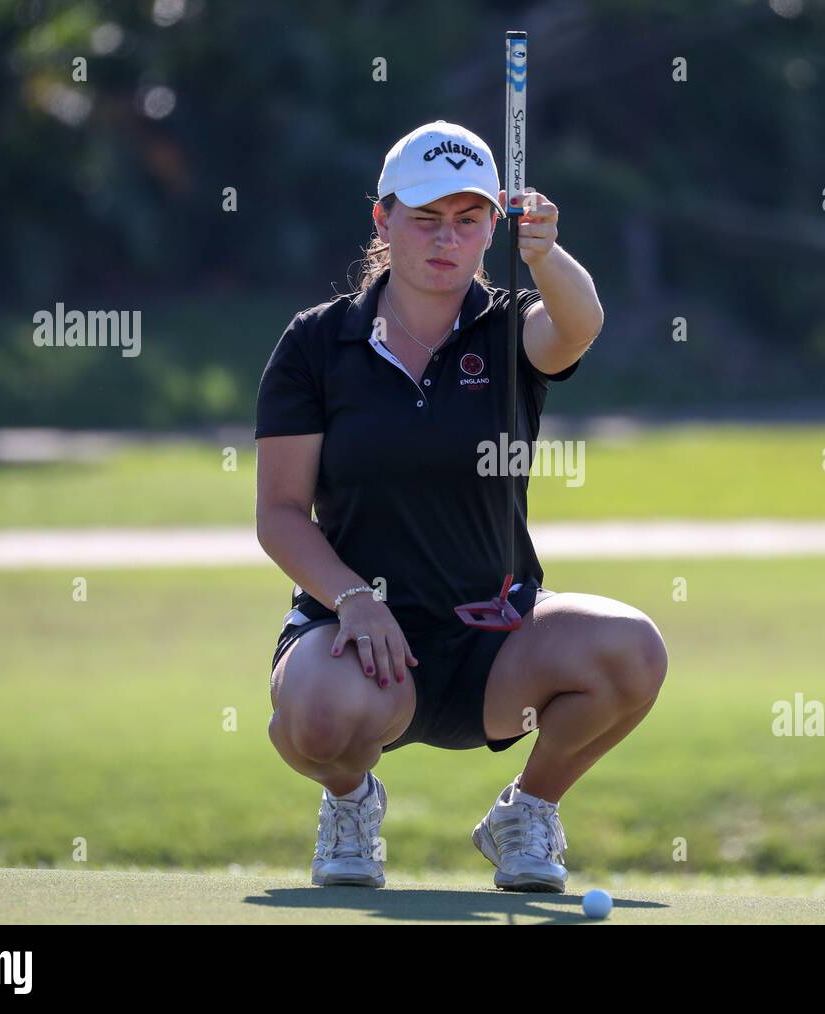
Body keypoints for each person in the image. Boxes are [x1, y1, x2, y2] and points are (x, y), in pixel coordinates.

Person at [255, 120, 667, 893]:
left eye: (468, 219)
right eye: (426, 219)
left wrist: (545, 254)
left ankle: (526, 813)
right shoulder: (316, 343)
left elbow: (579, 326)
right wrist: (350, 600)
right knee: (311, 717)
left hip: (496, 637)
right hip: (360, 640)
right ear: (383, 220)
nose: (447, 239)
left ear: (490, 228)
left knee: (635, 650)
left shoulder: (510, 329)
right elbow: (279, 514)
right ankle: (350, 803)